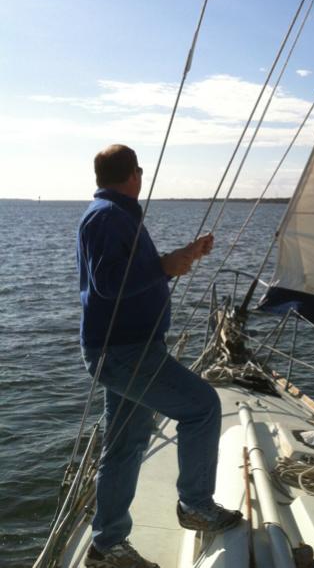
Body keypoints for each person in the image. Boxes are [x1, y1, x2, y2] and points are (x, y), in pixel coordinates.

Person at [78, 144, 241, 568]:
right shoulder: (108, 217)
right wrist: (163, 266)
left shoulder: (113, 215)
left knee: (125, 445)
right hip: (125, 351)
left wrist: (184, 255)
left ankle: (106, 546)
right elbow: (107, 282)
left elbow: (132, 276)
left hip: (124, 349)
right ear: (134, 174)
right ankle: (195, 505)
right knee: (202, 407)